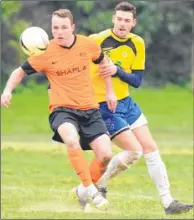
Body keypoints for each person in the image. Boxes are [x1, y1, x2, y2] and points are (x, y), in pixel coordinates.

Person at [74, 2, 193, 215]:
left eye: (127, 21)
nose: (122, 24)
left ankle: (168, 203)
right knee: (134, 150)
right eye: (119, 19)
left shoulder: (137, 43)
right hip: (104, 106)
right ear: (113, 19)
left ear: (133, 23)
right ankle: (91, 188)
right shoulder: (96, 40)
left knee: (150, 148)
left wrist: (116, 70)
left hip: (126, 102)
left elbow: (137, 80)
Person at [1, 9, 119, 211]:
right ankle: (92, 192)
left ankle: (80, 193)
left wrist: (110, 92)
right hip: (62, 109)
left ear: (72, 28)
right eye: (55, 27)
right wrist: (7, 91)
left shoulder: (87, 44)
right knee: (71, 140)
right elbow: (19, 72)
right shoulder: (45, 52)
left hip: (89, 109)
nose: (59, 32)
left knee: (106, 155)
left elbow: (103, 62)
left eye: (63, 27)